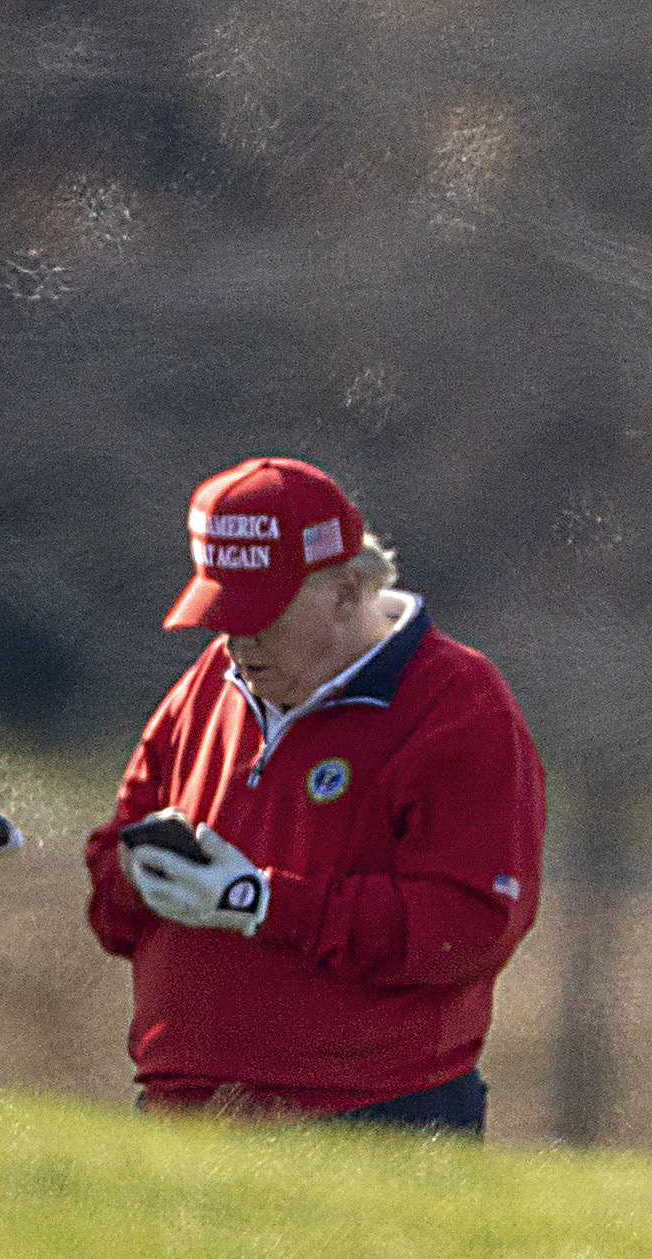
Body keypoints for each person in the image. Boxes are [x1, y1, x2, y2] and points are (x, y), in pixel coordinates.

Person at [83, 456, 545, 1135]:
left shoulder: (458, 703)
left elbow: (471, 924)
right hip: (178, 1108)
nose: (236, 639)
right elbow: (110, 887)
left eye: (259, 613)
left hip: (371, 1115)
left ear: (345, 590)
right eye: (221, 614)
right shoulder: (210, 681)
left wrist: (262, 902)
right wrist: (139, 874)